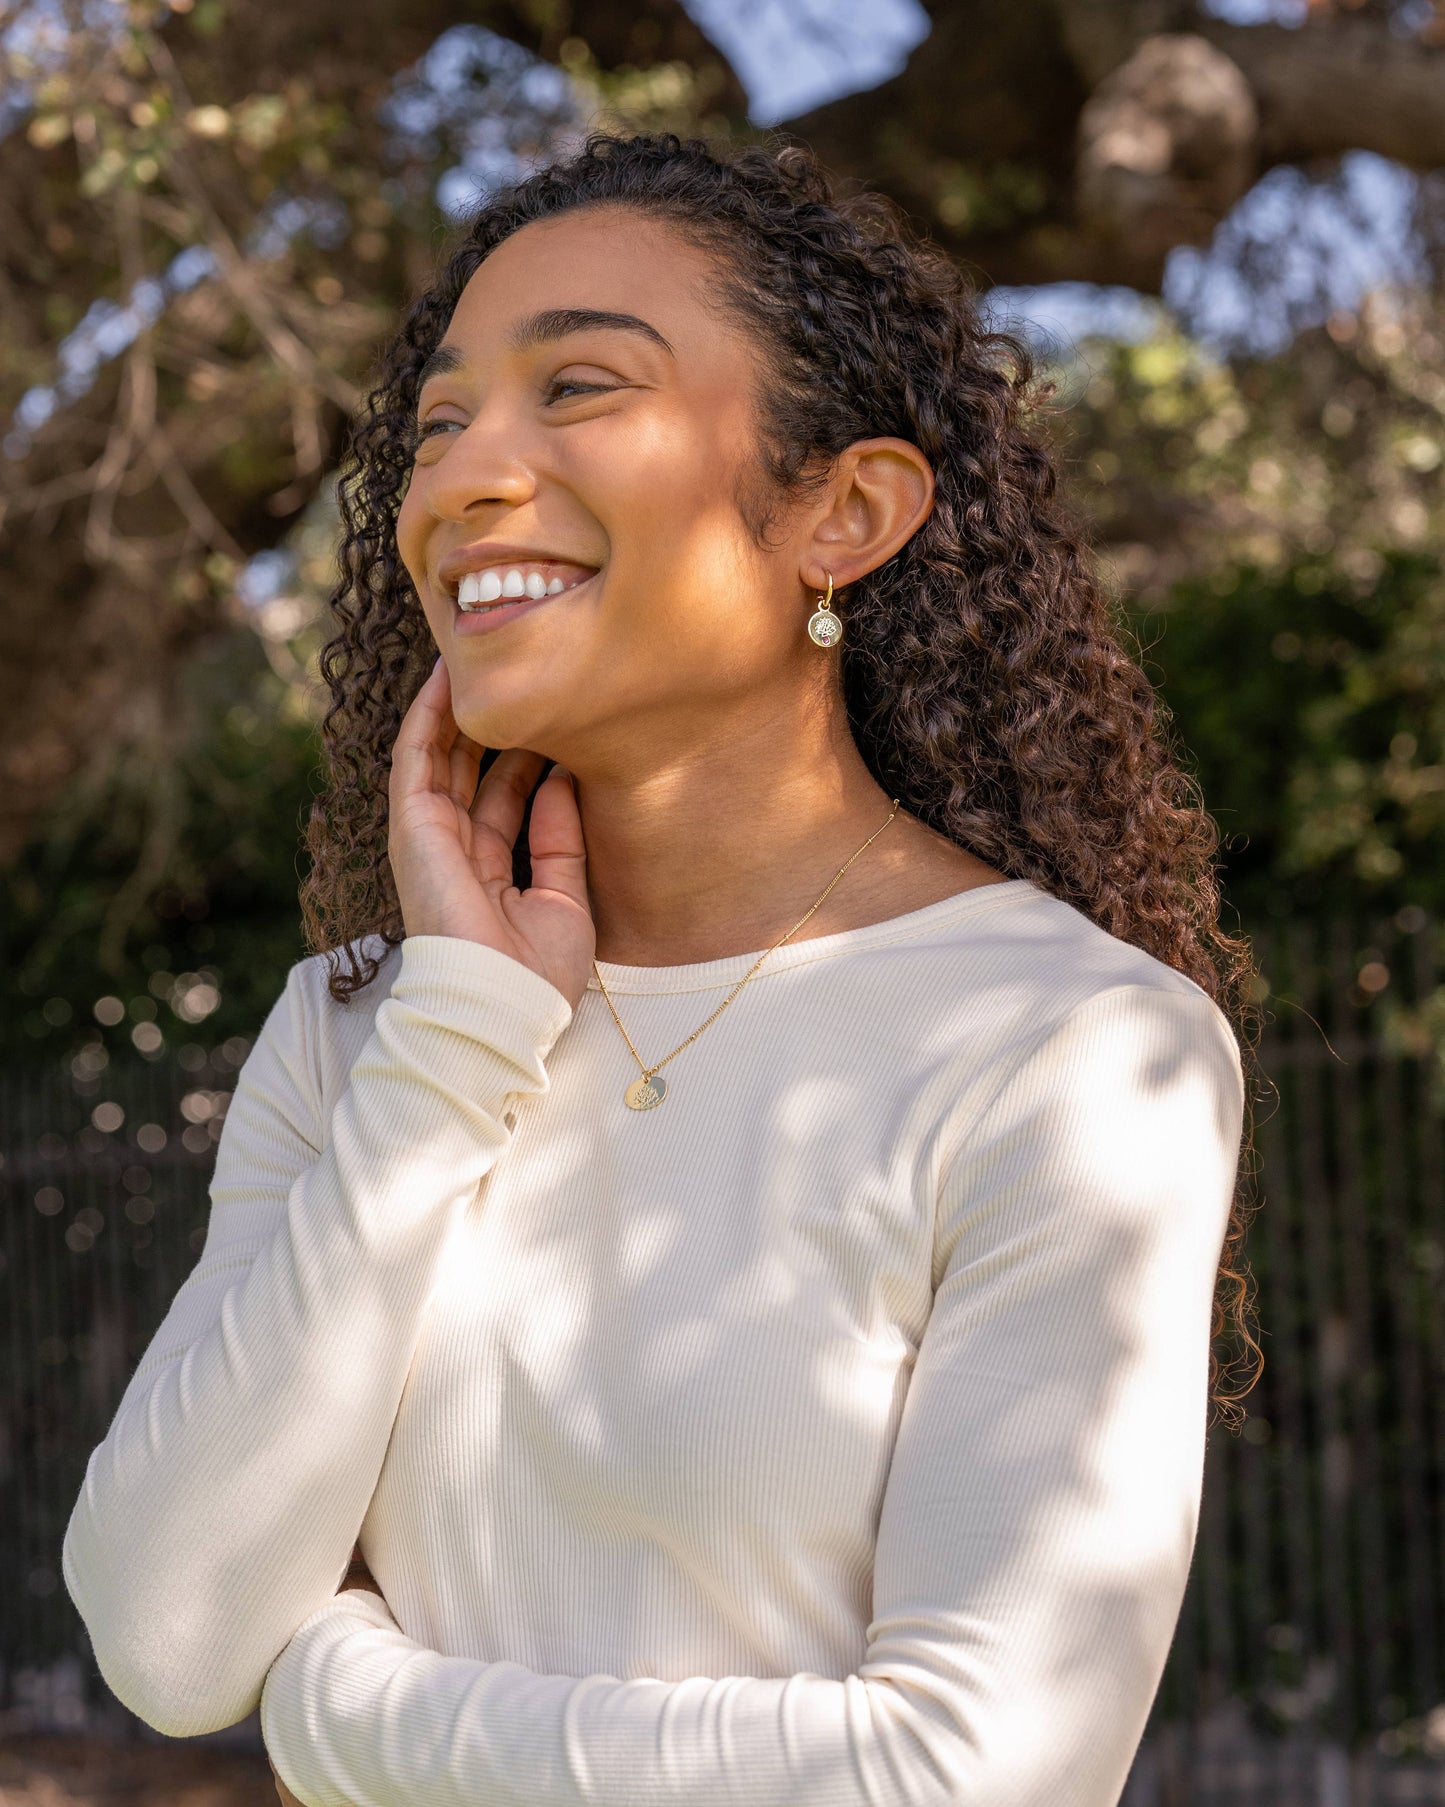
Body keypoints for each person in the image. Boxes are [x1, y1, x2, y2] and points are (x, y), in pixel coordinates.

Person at [63, 129, 1258, 1807]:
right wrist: (454, 1038)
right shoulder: (363, 1036)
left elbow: (967, 1776)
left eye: (576, 389)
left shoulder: (1067, 1049)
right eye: (437, 420)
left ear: (844, 512)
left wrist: (338, 1706)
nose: (466, 472)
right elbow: (171, 1639)